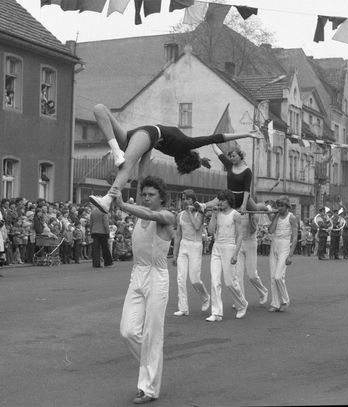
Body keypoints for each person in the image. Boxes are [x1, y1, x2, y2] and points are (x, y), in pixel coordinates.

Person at [89, 103, 262, 214]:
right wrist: (246, 134)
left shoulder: (181, 148)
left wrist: (201, 160)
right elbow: (217, 137)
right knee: (126, 166)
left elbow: (210, 142)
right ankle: (108, 195)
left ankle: (115, 161)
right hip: (142, 136)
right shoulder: (183, 145)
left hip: (138, 136)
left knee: (99, 108)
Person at [108, 176, 175, 405]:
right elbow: (142, 208)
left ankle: (149, 388)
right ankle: (150, 365)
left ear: (162, 198)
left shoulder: (167, 216)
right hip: (137, 274)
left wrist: (123, 205)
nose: (146, 198)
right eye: (144, 194)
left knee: (152, 334)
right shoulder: (139, 214)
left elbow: (152, 215)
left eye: (151, 195)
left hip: (157, 276)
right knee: (127, 331)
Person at [205, 190, 248, 322]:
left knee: (230, 282)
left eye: (223, 200)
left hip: (230, 247)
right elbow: (211, 231)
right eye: (219, 200)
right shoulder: (217, 214)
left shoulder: (235, 215)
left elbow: (240, 235)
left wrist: (236, 254)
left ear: (229, 201)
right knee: (215, 280)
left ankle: (242, 304)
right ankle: (216, 313)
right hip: (217, 247)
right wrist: (213, 215)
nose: (220, 203)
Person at [172, 189, 210, 317]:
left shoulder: (199, 212)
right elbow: (178, 235)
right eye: (183, 199)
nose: (185, 201)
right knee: (180, 278)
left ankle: (205, 297)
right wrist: (175, 254)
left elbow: (197, 227)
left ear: (193, 200)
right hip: (183, 245)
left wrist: (189, 212)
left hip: (196, 245)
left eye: (187, 198)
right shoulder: (180, 215)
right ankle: (183, 308)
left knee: (194, 279)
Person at [206, 146, 269, 212]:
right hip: (230, 195)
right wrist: (212, 142)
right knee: (217, 200)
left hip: (242, 197)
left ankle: (267, 207)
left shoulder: (247, 171)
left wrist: (244, 205)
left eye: (233, 156)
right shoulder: (229, 165)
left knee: (256, 208)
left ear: (240, 156)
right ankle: (203, 205)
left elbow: (247, 190)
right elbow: (219, 154)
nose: (231, 158)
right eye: (230, 156)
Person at [267, 195, 298, 312]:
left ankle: (285, 300)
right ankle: (275, 303)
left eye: (281, 206)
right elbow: (271, 230)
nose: (279, 208)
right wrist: (275, 216)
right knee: (272, 277)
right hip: (274, 244)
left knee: (278, 276)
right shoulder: (277, 216)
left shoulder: (292, 218)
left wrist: (290, 255)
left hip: (284, 246)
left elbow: (295, 237)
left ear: (287, 206)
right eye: (278, 205)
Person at [236, 213, 269, 305]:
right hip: (238, 243)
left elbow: (253, 229)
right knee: (238, 275)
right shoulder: (235, 212)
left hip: (250, 243)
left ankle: (263, 291)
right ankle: (240, 299)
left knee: (252, 275)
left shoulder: (254, 214)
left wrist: (250, 215)